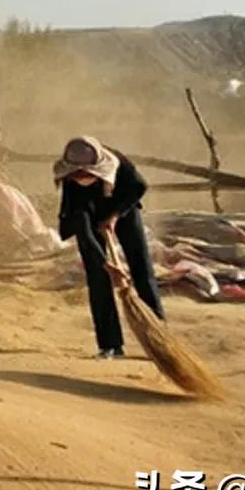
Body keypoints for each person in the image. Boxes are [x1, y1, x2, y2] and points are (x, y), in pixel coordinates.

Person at [54, 135, 165, 359]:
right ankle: (110, 345)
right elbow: (84, 232)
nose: (82, 177)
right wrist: (107, 265)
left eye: (87, 173)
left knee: (142, 270)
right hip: (90, 214)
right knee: (98, 278)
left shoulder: (119, 164)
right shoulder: (72, 186)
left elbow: (139, 188)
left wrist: (115, 216)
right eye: (78, 174)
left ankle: (159, 339)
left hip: (124, 210)